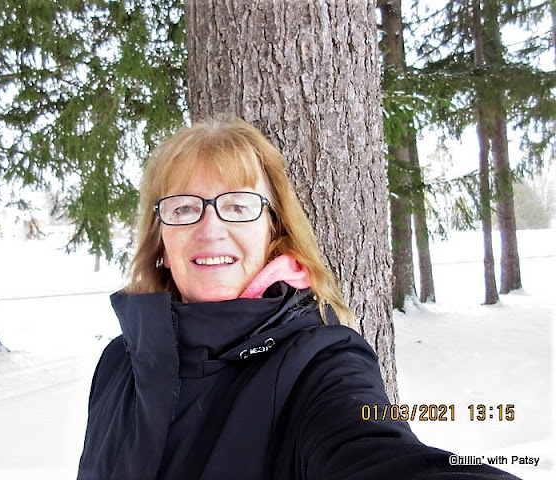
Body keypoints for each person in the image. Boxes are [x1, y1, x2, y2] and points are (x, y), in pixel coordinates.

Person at [77, 117, 518, 480]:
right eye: (184, 208)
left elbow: (373, 452)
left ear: (274, 228)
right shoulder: (119, 363)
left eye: (238, 205)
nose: (210, 230)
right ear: (160, 238)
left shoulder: (318, 362)